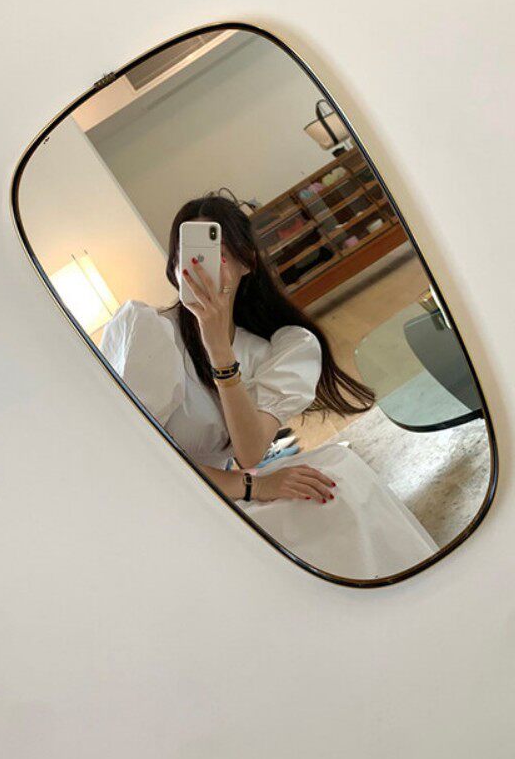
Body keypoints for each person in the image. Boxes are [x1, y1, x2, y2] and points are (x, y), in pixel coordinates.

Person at [101, 194, 438, 579]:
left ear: (247, 263)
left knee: (339, 475)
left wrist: (219, 349)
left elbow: (249, 452)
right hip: (162, 508)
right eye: (187, 255)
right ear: (173, 268)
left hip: (220, 494)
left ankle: (415, 588)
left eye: (216, 253)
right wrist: (253, 487)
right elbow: (137, 463)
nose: (199, 267)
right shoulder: (147, 330)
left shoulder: (276, 348)